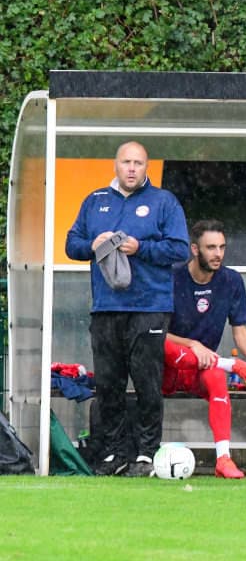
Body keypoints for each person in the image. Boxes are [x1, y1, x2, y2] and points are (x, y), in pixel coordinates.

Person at [65, 141, 189, 477]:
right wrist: (91, 245)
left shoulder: (164, 202)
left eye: (138, 163)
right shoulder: (95, 201)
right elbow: (70, 245)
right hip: (106, 307)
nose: (131, 169)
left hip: (149, 306)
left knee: (147, 382)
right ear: (116, 165)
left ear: (147, 167)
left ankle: (147, 453)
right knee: (108, 383)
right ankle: (114, 452)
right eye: (126, 162)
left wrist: (141, 248)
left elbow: (180, 250)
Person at [162, 219, 246, 479]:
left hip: (203, 367)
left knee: (216, 378)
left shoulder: (231, 280)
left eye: (222, 247)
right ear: (194, 249)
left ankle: (223, 459)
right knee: (156, 342)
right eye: (211, 247)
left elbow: (241, 332)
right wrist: (192, 344)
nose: (218, 254)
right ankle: (230, 364)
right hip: (166, 367)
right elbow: (156, 331)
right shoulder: (171, 277)